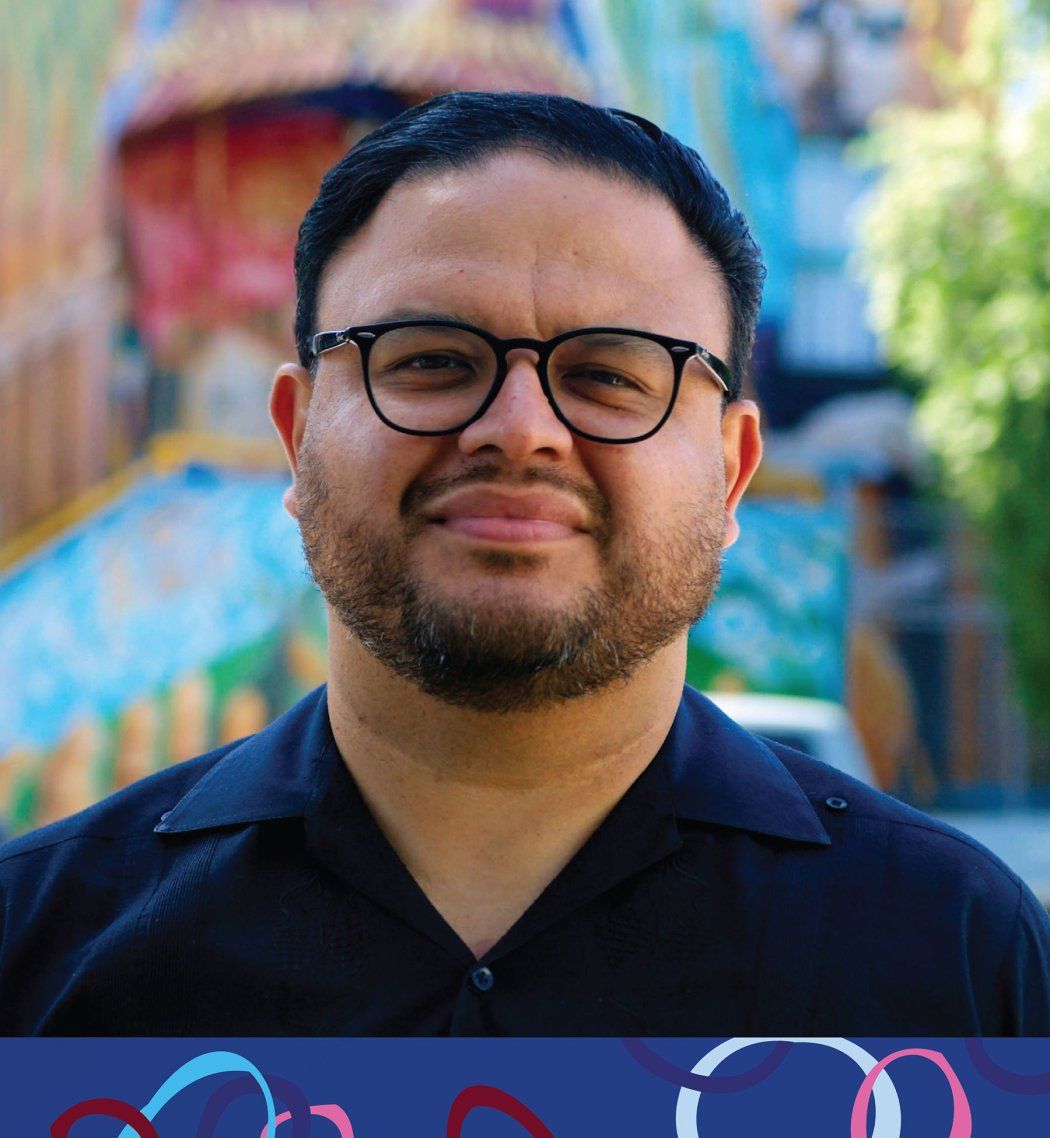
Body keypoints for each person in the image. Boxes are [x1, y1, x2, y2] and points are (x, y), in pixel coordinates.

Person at [1, 92, 1047, 1035]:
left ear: (731, 474)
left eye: (606, 375)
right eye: (431, 360)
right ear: (298, 431)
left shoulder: (957, 968)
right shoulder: (35, 958)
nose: (519, 428)